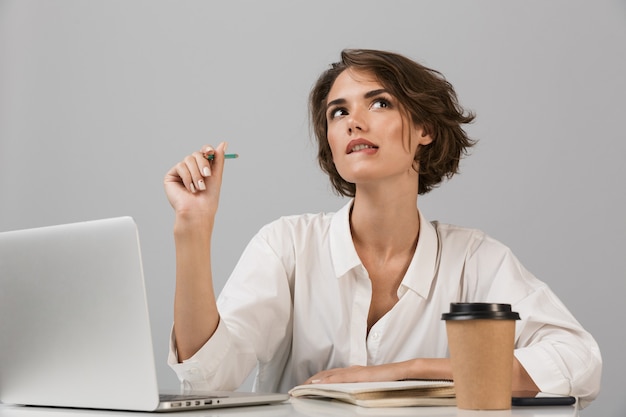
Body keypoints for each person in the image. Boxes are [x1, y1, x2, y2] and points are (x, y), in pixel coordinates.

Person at [163, 49, 601, 406]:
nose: (354, 120)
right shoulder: (287, 247)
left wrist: (403, 372)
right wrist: (193, 229)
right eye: (338, 112)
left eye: (380, 102)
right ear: (331, 144)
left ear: (424, 127)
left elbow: (579, 361)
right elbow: (209, 376)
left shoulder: (476, 259)